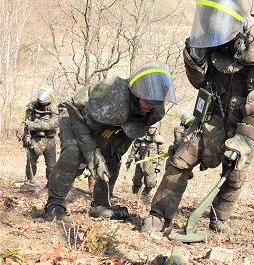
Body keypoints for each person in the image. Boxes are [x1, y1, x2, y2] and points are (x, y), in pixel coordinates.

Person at [142, 0, 254, 234]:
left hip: (245, 120)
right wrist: (194, 60)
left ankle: (220, 219)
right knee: (180, 160)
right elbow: (199, 82)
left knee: (236, 171)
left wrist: (242, 141)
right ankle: (159, 215)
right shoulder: (212, 37)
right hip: (212, 117)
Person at [44, 61, 176, 220]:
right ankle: (55, 202)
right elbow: (83, 128)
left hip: (108, 123)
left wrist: (109, 156)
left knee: (112, 156)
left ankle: (101, 204)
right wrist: (94, 158)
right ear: (137, 93)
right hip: (74, 114)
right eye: (148, 101)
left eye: (155, 103)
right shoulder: (112, 97)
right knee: (74, 151)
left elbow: (128, 134)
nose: (151, 106)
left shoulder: (154, 109)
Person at [22, 86, 59, 187]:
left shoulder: (53, 108)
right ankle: (30, 181)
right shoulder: (32, 107)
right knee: (31, 162)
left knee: (51, 166)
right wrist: (26, 137)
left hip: (49, 140)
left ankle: (51, 185)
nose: (41, 102)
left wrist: (35, 125)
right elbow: (27, 124)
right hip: (35, 139)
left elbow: (54, 123)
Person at [126, 122, 165, 201]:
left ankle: (145, 195)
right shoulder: (141, 138)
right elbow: (134, 150)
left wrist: (159, 166)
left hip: (151, 165)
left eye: (153, 128)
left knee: (150, 183)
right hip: (140, 162)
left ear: (156, 129)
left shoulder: (158, 140)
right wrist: (129, 160)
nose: (151, 130)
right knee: (137, 181)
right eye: (150, 128)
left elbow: (162, 155)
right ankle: (134, 195)